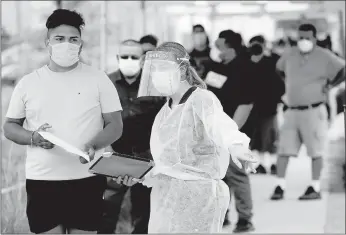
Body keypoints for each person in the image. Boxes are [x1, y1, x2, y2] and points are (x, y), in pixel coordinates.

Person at [3, 9, 123, 234]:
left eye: (73, 39)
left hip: (87, 178)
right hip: (42, 181)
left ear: (81, 44)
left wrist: (94, 144)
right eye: (59, 39)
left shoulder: (99, 79)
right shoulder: (28, 83)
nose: (66, 44)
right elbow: (9, 127)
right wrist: (32, 137)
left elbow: (115, 125)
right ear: (47, 42)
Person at [120, 42, 257, 233]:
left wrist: (237, 146)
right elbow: (169, 164)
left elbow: (221, 125)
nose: (157, 74)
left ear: (183, 69)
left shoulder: (201, 99)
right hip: (166, 200)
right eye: (154, 69)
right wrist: (141, 175)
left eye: (163, 68)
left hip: (198, 200)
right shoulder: (165, 111)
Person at [270, 23, 345, 201]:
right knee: (283, 149)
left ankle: (315, 187)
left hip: (314, 109)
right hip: (291, 110)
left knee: (316, 150)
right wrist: (289, 84)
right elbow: (278, 69)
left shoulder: (324, 56)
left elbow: (343, 69)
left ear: (314, 38)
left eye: (307, 38)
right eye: (301, 37)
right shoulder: (289, 54)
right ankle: (279, 186)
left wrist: (331, 85)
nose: (303, 41)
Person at [99, 39, 164, 234]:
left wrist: (157, 155)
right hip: (114, 155)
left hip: (146, 156)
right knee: (106, 210)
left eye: (134, 57)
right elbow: (95, 119)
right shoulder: (104, 84)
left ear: (142, 59)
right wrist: (106, 149)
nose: (129, 60)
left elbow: (165, 121)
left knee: (144, 211)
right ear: (118, 58)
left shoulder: (155, 86)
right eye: (124, 56)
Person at [201, 30, 256, 233]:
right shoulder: (219, 67)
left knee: (237, 174)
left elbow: (246, 103)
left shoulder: (244, 69)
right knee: (219, 175)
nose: (215, 50)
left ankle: (245, 218)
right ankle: (222, 215)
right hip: (215, 130)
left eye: (219, 47)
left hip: (233, 131)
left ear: (230, 48)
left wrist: (230, 133)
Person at [247, 35, 285, 175]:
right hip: (255, 108)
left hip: (269, 107)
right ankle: (261, 164)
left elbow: (280, 83)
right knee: (257, 137)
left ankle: (273, 163)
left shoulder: (273, 61)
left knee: (270, 136)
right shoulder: (248, 63)